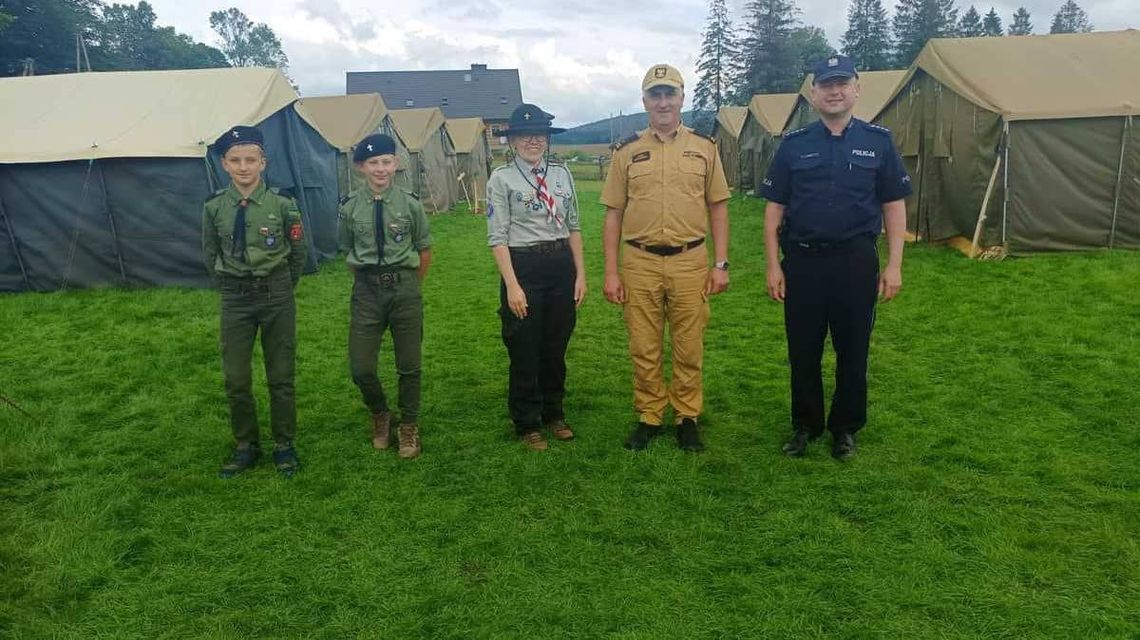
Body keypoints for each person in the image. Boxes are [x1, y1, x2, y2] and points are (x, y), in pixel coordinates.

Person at [761, 54, 911, 461]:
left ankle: (845, 428)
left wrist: (894, 264)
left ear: (857, 90)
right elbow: (774, 209)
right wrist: (773, 265)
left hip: (855, 261)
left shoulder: (877, 142)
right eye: (826, 84)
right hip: (804, 262)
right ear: (813, 94)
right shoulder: (793, 146)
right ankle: (805, 426)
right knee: (803, 349)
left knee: (853, 348)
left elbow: (893, 205)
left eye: (842, 83)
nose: (834, 91)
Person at [600, 64, 731, 453]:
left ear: (681, 98)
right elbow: (613, 214)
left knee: (689, 344)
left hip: (690, 260)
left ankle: (687, 416)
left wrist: (720, 264)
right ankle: (649, 414)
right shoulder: (626, 152)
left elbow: (719, 207)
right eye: (655, 94)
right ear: (644, 101)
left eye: (669, 93)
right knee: (644, 344)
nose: (662, 101)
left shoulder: (705, 148)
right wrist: (611, 271)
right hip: (639, 261)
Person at [202, 125, 307, 478]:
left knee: (280, 375)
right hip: (235, 298)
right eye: (235, 160)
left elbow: (298, 252)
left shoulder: (283, 204)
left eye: (251, 159)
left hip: (276, 294)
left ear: (263, 162)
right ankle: (246, 444)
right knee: (236, 378)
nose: (243, 167)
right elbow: (210, 252)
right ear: (224, 164)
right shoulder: (215, 207)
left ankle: (284, 445)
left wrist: (280, 285)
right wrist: (232, 285)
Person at [486, 103, 586, 451]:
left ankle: (554, 413)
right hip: (523, 267)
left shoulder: (562, 175)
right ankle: (526, 421)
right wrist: (512, 285)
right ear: (512, 142)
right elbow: (497, 237)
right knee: (524, 346)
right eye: (524, 135)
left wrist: (580, 275)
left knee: (555, 346)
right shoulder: (501, 179)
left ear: (547, 139)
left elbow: (574, 227)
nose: (533, 141)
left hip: (560, 265)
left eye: (539, 135)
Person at [339, 133, 433, 459]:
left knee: (409, 365)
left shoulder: (410, 204)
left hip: (405, 289)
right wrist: (373, 279)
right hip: (366, 291)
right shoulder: (350, 207)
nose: (380, 169)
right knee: (361, 367)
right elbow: (348, 249)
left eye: (386, 162)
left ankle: (408, 425)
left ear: (395, 164)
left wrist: (407, 282)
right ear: (361, 167)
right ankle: (380, 413)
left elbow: (424, 249)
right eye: (373, 163)